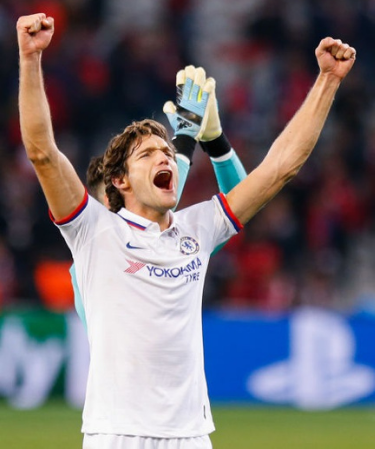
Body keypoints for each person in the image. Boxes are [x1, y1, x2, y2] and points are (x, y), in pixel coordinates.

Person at [17, 12, 356, 449]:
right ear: (118, 181)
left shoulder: (197, 230)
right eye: (147, 155)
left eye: (166, 151)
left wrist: (328, 80)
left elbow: (279, 169)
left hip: (191, 437)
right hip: (116, 434)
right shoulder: (93, 231)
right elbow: (43, 153)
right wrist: (30, 58)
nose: (164, 158)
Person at [71, 64, 249, 332]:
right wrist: (186, 138)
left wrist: (215, 140)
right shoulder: (89, 257)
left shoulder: (178, 242)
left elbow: (243, 201)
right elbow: (145, 211)